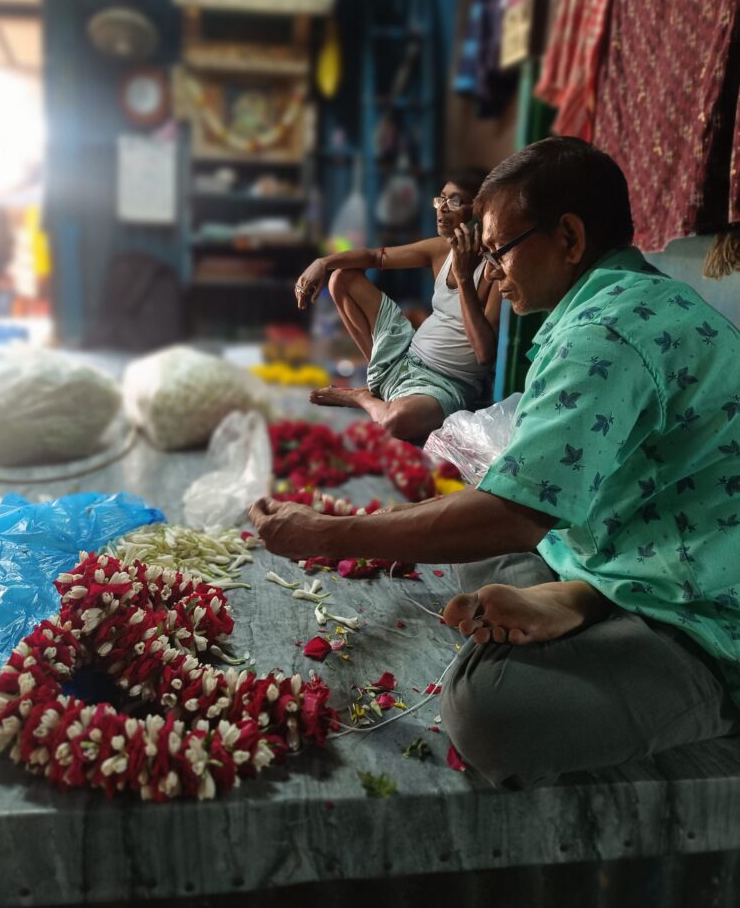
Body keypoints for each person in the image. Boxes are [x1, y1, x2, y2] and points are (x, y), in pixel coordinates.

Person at [251, 137, 740, 789]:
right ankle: (584, 596)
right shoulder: (637, 299)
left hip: (706, 608)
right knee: (471, 534)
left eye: (499, 250)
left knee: (484, 711)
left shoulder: (603, 335)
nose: (492, 271)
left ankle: (610, 616)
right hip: (642, 548)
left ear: (569, 237)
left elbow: (514, 514)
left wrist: (329, 534)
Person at [294, 176, 502, 442]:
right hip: (405, 355)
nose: (442, 208)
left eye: (455, 201)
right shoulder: (440, 249)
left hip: (444, 385)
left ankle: (364, 398)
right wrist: (322, 263)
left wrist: (463, 277)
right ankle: (380, 380)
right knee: (341, 278)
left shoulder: (494, 272)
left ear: (480, 212)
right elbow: (374, 257)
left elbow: (484, 354)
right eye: (440, 199)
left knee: (396, 421)